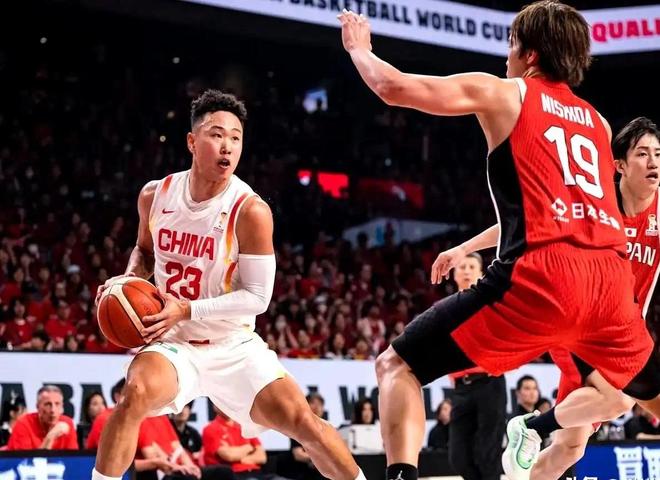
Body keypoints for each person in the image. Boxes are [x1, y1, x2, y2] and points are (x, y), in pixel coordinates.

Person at [338, 3, 660, 480]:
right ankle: (539, 429)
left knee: (396, 366)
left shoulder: (505, 92)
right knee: (644, 400)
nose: (505, 55)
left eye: (510, 44)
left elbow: (394, 86)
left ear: (529, 53)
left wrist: (360, 50)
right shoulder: (599, 123)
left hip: (543, 281)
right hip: (612, 290)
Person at [92, 90, 364, 480]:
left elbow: (259, 297)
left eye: (236, 138)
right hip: (176, 342)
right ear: (192, 141)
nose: (228, 146)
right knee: (133, 395)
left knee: (303, 422)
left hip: (232, 344)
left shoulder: (250, 210)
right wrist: (127, 281)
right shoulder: (155, 195)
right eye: (217, 135)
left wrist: (187, 309)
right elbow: (144, 251)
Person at [431, 117, 660, 479]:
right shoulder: (597, 203)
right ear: (619, 165)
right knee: (620, 398)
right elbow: (529, 220)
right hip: (579, 324)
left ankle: (535, 437)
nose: (653, 162)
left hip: (622, 337)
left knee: (570, 448)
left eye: (658, 154)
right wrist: (464, 248)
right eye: (643, 154)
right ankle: (532, 426)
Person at [441, 253, 507, 480]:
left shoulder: (492, 302)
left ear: (481, 273)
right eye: (462, 267)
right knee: (458, 458)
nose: (466, 271)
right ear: (454, 274)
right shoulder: (446, 310)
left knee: (486, 454)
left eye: (471, 266)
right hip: (461, 388)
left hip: (489, 382)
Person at [202, 407, 285, 480]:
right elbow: (229, 456)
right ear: (215, 407)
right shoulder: (210, 429)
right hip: (234, 474)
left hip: (257, 472)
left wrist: (239, 457)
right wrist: (248, 448)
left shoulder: (244, 427)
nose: (226, 406)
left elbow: (262, 457)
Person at [7, 385, 78, 450]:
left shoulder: (68, 423)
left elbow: (72, 458)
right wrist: (50, 437)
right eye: (48, 404)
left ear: (62, 407)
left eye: (57, 404)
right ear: (37, 406)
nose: (53, 410)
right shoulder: (23, 425)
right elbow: (27, 459)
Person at [289, 393, 326, 480]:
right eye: (313, 403)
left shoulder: (327, 428)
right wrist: (319, 459)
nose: (317, 407)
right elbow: (298, 455)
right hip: (305, 471)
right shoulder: (297, 428)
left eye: (320, 404)